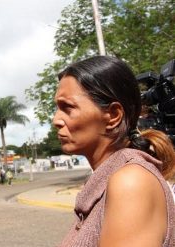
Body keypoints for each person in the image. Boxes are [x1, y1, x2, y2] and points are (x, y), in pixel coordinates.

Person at [54, 56, 175, 247]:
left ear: (113, 115)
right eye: (57, 108)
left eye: (67, 107)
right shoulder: (110, 178)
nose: (56, 120)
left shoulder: (131, 182)